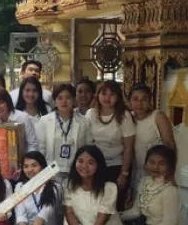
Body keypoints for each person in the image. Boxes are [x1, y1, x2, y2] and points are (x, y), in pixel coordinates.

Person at [85, 80, 135, 211]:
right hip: (95, 166)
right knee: (96, 204)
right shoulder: (91, 113)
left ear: (118, 97)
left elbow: (128, 148)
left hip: (117, 166)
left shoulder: (125, 116)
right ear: (98, 95)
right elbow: (86, 143)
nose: (107, 98)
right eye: (103, 93)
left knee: (115, 206)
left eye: (112, 94)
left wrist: (124, 173)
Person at [37, 83, 92, 183]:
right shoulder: (45, 121)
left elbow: (88, 148)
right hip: (51, 172)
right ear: (54, 102)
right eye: (59, 98)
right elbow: (41, 149)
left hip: (76, 171)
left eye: (68, 97)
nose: (64, 101)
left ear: (74, 100)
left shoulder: (84, 122)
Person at [129, 83, 176, 192]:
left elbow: (169, 144)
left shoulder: (158, 116)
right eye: (135, 99)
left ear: (150, 100)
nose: (139, 103)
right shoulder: (128, 118)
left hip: (158, 171)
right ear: (129, 100)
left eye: (144, 99)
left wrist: (170, 172)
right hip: (138, 170)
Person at [0, 88, 38, 153]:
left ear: (8, 102)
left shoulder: (23, 117)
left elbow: (32, 144)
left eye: (1, 103)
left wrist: (27, 161)